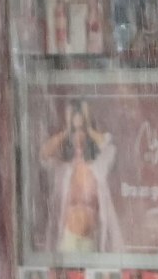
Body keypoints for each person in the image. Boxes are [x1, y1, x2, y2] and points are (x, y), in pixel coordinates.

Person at [39, 100, 120, 254]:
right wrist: (67, 131)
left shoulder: (99, 166)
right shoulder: (62, 169)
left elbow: (110, 147)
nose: (78, 135)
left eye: (81, 131)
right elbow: (44, 154)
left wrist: (88, 128)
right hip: (68, 241)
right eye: (74, 132)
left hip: (92, 241)